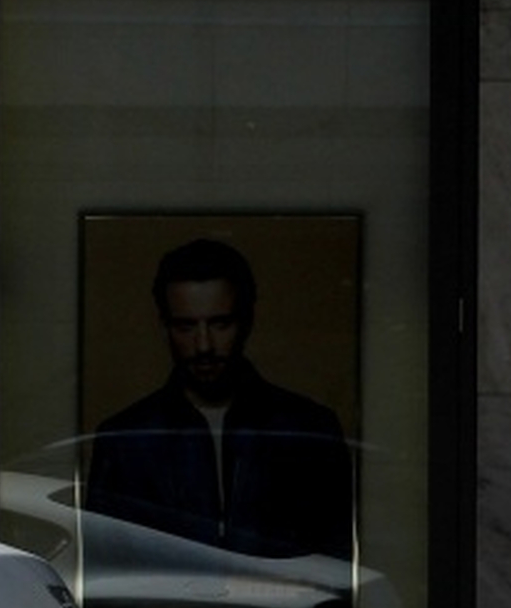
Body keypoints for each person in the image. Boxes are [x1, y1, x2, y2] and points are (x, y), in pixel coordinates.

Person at [85, 237, 355, 564]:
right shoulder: (123, 441)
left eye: (220, 323)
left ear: (247, 321)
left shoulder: (311, 431)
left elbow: (335, 574)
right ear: (165, 327)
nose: (203, 345)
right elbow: (107, 577)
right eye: (186, 326)